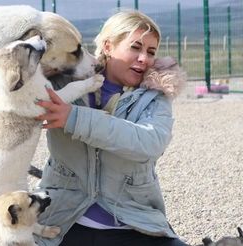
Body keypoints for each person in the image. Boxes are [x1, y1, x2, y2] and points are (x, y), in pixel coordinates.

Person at [34, 9, 187, 246]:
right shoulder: (67, 84)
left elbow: (149, 143)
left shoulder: (155, 97)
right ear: (107, 46)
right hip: (62, 222)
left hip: (133, 225)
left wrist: (75, 118)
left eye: (151, 51)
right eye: (135, 48)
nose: (144, 58)